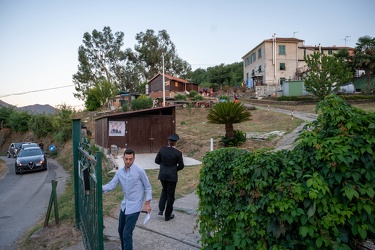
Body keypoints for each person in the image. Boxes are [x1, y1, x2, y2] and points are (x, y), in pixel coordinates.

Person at [102, 148, 152, 250]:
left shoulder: (139, 171)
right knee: (120, 231)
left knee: (126, 233)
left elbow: (148, 186)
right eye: (126, 159)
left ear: (134, 159)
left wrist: (147, 203)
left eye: (130, 159)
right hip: (125, 206)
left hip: (135, 207)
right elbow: (111, 185)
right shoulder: (120, 172)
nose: (128, 161)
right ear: (123, 158)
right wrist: (98, 188)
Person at [155, 133, 184, 221]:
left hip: (162, 174)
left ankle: (161, 209)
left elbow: (157, 161)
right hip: (172, 176)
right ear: (176, 143)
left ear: (168, 142)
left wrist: (164, 167)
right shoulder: (178, 153)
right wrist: (174, 169)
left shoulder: (162, 150)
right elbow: (181, 166)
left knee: (164, 190)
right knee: (170, 195)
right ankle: (168, 215)